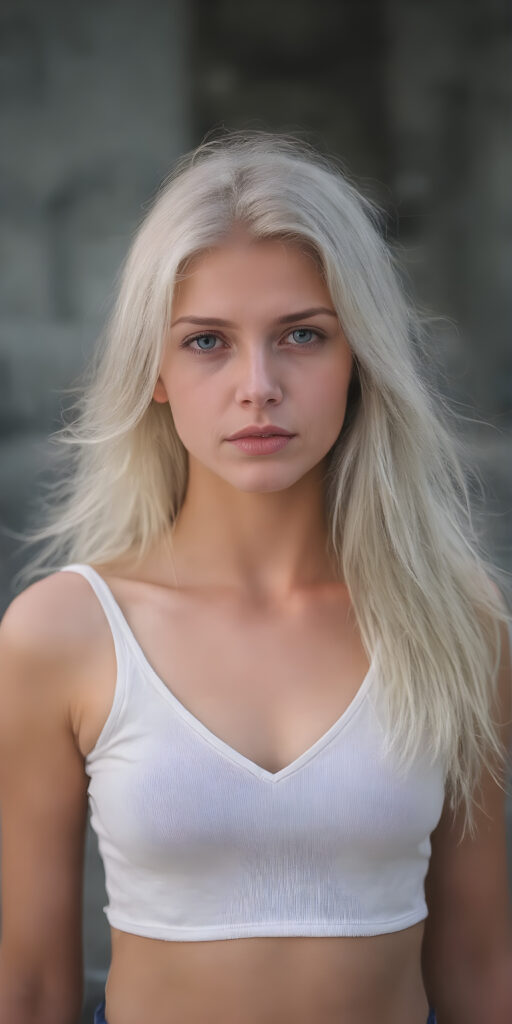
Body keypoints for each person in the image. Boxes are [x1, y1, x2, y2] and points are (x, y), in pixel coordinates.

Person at [0, 131, 511, 1024]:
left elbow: (479, 967)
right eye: (207, 342)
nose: (259, 385)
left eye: (303, 336)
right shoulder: (62, 634)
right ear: (152, 370)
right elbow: (31, 989)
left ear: (360, 361)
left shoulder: (458, 623)